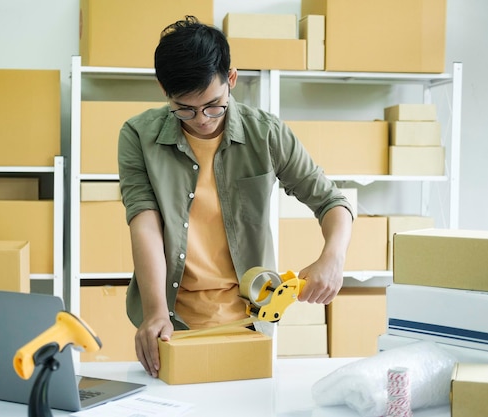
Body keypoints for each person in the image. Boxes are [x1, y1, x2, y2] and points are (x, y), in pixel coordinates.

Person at [117, 16, 353, 378]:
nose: (202, 120)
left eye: (214, 105)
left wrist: (332, 257)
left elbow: (331, 202)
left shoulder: (266, 133)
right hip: (171, 322)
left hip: (250, 320)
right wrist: (155, 312)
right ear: (164, 89)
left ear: (231, 79)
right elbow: (144, 223)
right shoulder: (138, 135)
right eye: (184, 108)